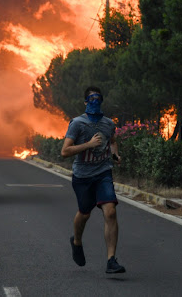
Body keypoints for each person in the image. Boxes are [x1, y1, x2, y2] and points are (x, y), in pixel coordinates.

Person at [61, 86, 126, 274]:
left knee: (111, 212)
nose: (95, 102)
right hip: (82, 176)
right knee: (85, 213)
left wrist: (115, 155)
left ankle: (111, 260)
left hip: (103, 173)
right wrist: (89, 144)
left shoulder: (108, 123)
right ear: (85, 102)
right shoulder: (77, 123)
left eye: (98, 98)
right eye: (91, 99)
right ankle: (77, 241)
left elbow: (112, 141)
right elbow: (65, 151)